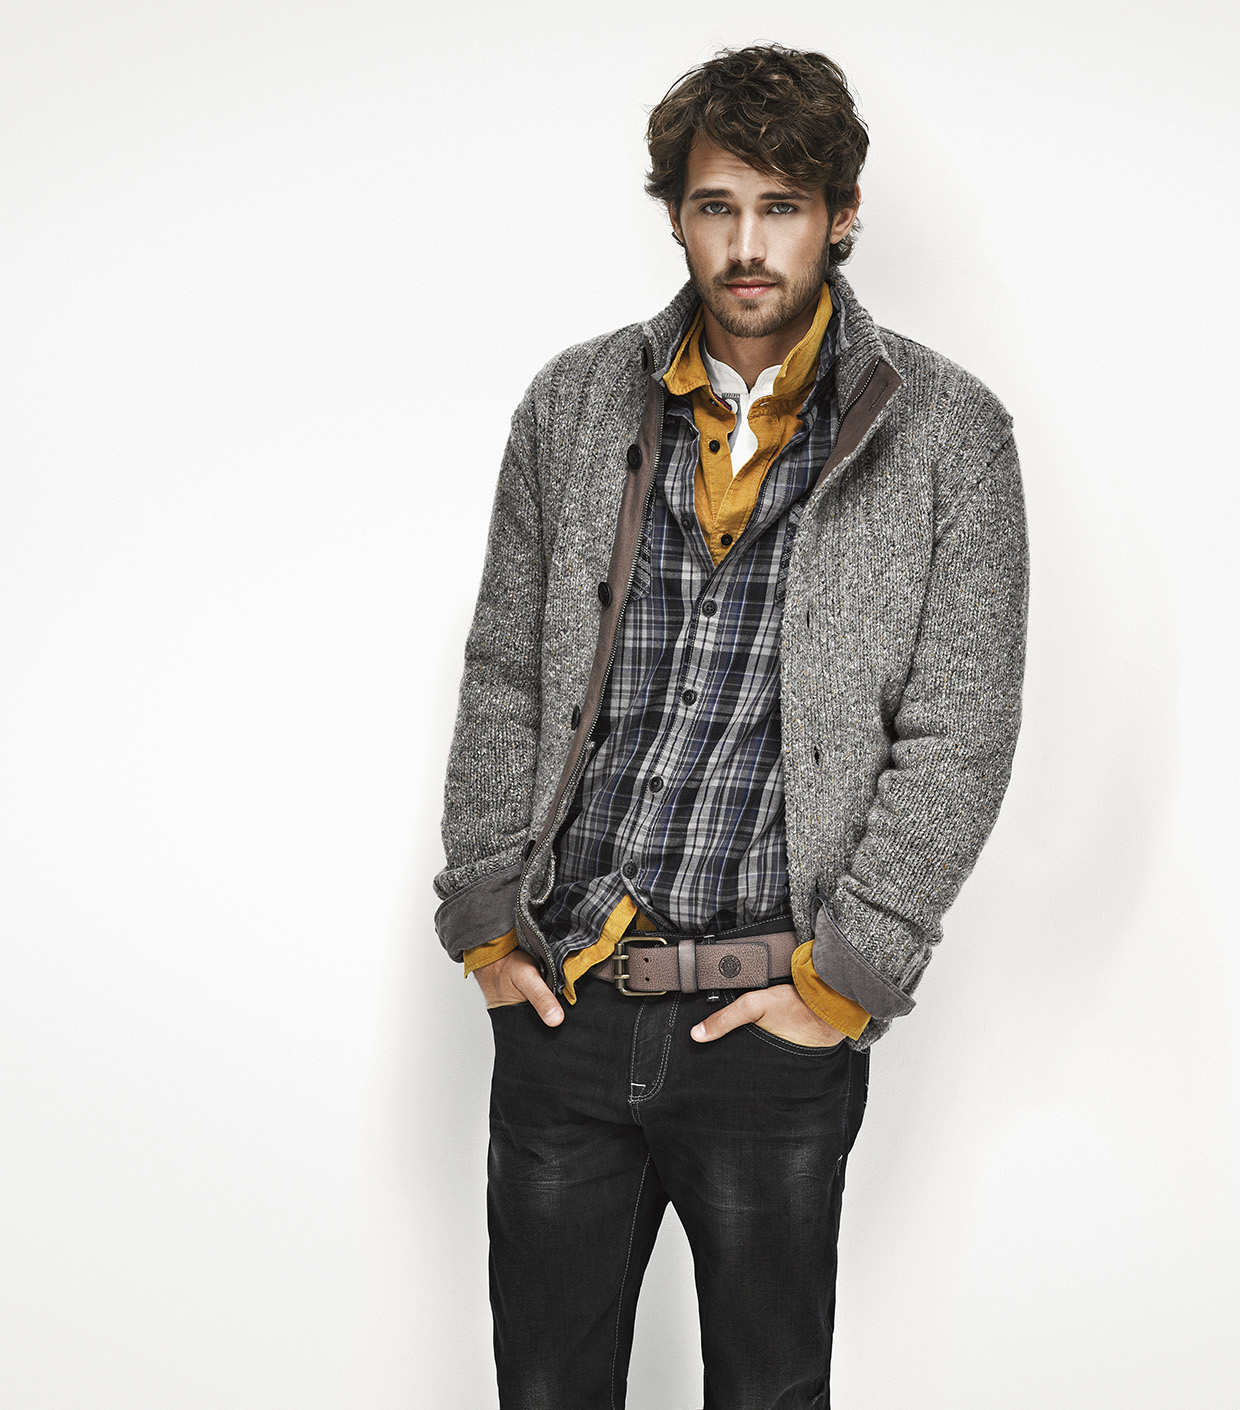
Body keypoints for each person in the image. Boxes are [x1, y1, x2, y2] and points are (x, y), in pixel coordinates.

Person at [434, 44, 1029, 1410]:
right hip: (568, 997)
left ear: (841, 213)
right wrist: (484, 916)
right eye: (717, 206)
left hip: (772, 1019)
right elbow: (504, 670)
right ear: (676, 216)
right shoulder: (573, 404)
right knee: (543, 1389)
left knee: (768, 1393)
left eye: (781, 207)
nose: (747, 244)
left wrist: (847, 977)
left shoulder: (950, 435)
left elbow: (960, 729)